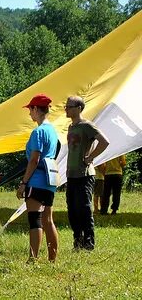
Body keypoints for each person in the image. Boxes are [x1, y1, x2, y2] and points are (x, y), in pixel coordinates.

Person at [16, 94, 59, 262]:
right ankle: (52, 259)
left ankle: (32, 259)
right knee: (48, 220)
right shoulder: (52, 131)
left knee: (35, 219)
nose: (29, 114)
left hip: (36, 180)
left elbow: (34, 159)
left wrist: (24, 182)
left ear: (36, 109)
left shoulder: (38, 132)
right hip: (50, 181)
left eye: (30, 110)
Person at [64, 95, 110, 250]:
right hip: (71, 174)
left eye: (69, 106)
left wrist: (90, 157)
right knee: (72, 209)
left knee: (84, 208)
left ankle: (89, 242)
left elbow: (104, 142)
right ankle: (78, 240)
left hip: (84, 174)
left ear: (78, 108)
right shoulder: (71, 127)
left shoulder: (87, 125)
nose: (66, 109)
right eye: (66, 106)